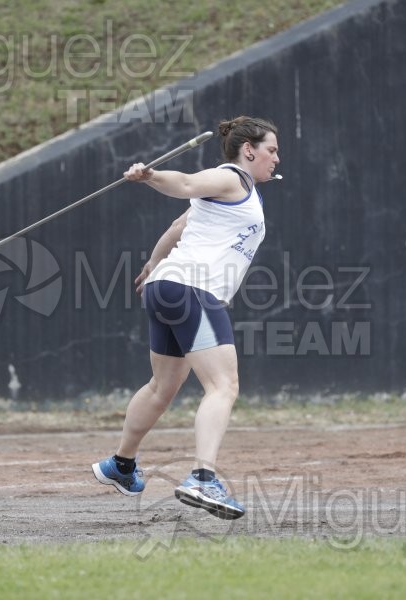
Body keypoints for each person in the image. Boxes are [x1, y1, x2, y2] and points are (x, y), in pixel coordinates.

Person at [91, 116, 280, 520]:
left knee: (162, 387)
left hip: (166, 287)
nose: (276, 159)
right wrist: (152, 176)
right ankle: (202, 478)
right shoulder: (233, 179)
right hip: (193, 289)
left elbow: (178, 227)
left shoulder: (231, 196)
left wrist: (152, 266)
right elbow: (187, 184)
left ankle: (121, 466)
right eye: (271, 150)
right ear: (249, 150)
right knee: (223, 386)